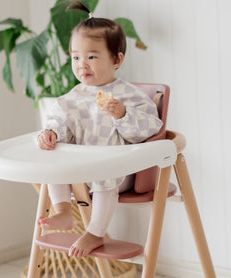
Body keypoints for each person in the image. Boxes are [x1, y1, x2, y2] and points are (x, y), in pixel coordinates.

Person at [36, 10, 163, 257]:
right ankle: (62, 211)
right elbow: (59, 120)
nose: (81, 64)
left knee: (105, 173)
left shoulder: (128, 95)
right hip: (80, 172)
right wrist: (51, 132)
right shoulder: (71, 98)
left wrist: (123, 114)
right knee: (53, 160)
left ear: (116, 60)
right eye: (75, 57)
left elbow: (150, 128)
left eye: (92, 56)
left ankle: (95, 232)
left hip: (120, 173)